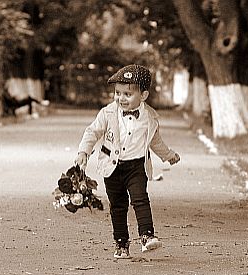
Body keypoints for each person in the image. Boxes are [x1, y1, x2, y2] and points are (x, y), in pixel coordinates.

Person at [74, 64, 180, 259]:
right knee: (118, 205)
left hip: (137, 166)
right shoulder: (107, 113)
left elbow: (155, 141)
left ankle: (147, 236)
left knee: (140, 199)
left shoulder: (150, 117)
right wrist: (84, 152)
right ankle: (121, 244)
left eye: (127, 94)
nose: (121, 98)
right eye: (117, 93)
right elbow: (92, 132)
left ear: (144, 95)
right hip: (112, 167)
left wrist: (168, 155)